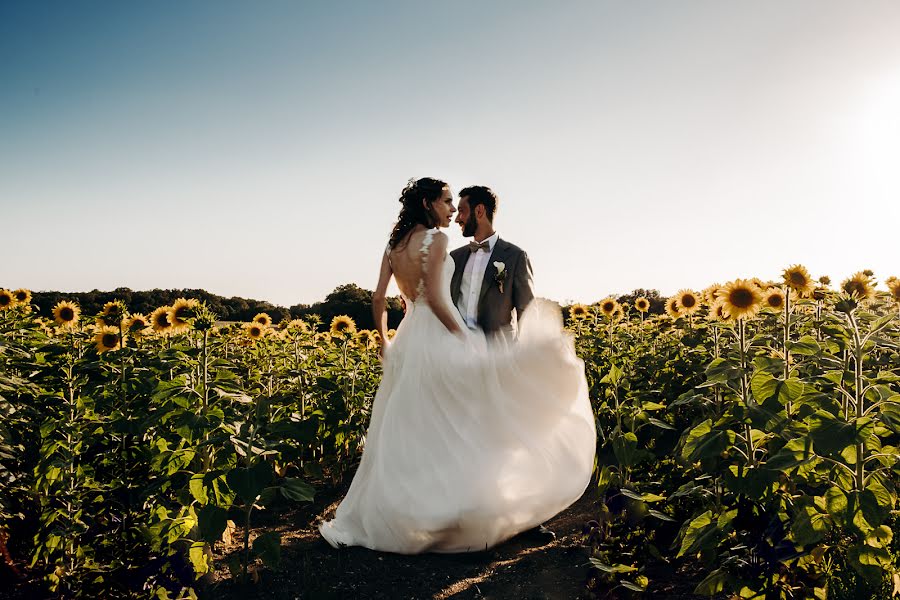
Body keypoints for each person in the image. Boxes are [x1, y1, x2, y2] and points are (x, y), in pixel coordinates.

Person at [318, 178, 595, 554]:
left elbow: (526, 308)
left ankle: (523, 514)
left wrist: (524, 348)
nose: (456, 213)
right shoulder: (449, 250)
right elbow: (431, 292)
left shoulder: (513, 256)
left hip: (487, 348)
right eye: (450, 204)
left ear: (479, 211)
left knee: (501, 429)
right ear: (429, 203)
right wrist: (457, 333)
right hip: (448, 345)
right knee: (452, 428)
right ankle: (455, 509)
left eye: (461, 207)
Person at [450, 185, 533, 344]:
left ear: (479, 211)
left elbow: (527, 312)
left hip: (499, 354)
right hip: (458, 352)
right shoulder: (454, 258)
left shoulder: (515, 256)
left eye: (462, 211)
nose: (457, 218)